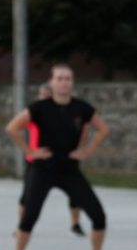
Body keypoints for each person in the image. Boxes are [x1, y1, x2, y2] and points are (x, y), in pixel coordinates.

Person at [4, 64, 112, 250]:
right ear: (52, 82)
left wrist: (87, 150)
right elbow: (12, 128)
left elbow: (103, 129)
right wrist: (30, 152)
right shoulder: (39, 107)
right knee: (29, 217)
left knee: (98, 216)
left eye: (68, 78)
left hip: (69, 170)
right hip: (43, 170)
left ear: (72, 83)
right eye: (60, 78)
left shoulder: (81, 108)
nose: (64, 82)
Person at [17, 82, 86, 236]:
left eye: (49, 94)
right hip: (36, 162)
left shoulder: (64, 113)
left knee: (76, 195)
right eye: (43, 95)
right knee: (27, 197)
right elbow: (15, 127)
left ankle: (75, 224)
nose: (45, 97)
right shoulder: (33, 114)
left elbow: (80, 128)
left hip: (64, 161)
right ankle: (21, 226)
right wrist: (30, 151)